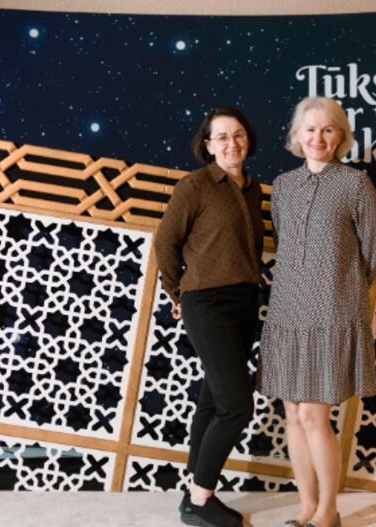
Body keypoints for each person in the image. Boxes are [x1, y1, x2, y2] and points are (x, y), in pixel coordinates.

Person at [258, 96, 376, 527]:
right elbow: (283, 241)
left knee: (314, 415)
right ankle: (306, 507)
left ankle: (329, 511)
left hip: (331, 312)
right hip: (287, 310)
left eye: (328, 129)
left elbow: (371, 251)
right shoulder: (283, 185)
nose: (318, 137)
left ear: (341, 136)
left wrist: (340, 293)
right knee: (292, 414)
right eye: (310, 129)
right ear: (297, 135)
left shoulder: (355, 183)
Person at [154, 106, 263, 527]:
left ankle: (192, 491)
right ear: (208, 145)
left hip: (244, 303)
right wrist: (176, 291)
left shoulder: (254, 190)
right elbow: (165, 242)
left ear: (247, 139)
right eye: (221, 137)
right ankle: (201, 499)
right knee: (236, 405)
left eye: (238, 135)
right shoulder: (195, 185)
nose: (231, 143)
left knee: (214, 400)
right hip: (207, 303)